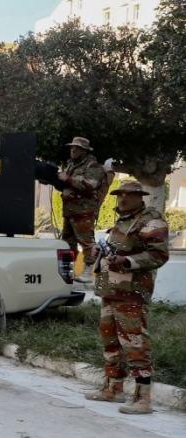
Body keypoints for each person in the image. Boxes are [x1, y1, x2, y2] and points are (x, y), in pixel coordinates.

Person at [85, 181, 169, 415]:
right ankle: (113, 388)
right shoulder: (122, 220)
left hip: (132, 292)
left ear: (139, 197)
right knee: (110, 339)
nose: (122, 199)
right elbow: (116, 250)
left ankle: (143, 398)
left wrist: (128, 262)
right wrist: (97, 252)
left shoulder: (150, 219)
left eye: (128, 195)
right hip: (111, 290)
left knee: (134, 342)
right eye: (119, 195)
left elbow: (159, 254)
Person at [58, 136, 107, 283]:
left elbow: (90, 185)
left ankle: (87, 272)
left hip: (84, 211)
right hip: (69, 211)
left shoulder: (93, 167)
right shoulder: (71, 165)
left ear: (84, 151)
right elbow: (67, 184)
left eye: (76, 148)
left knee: (87, 242)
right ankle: (66, 273)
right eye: (72, 147)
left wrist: (68, 179)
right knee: (67, 243)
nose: (73, 150)